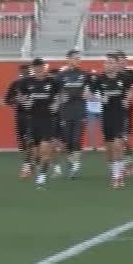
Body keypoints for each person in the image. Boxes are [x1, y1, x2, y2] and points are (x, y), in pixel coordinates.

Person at [88, 54, 133, 188]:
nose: (108, 65)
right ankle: (115, 171)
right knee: (109, 149)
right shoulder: (99, 79)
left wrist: (127, 99)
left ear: (116, 64)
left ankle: (117, 177)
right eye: (107, 63)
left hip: (120, 115)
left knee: (117, 145)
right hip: (106, 116)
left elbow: (132, 90)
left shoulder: (124, 78)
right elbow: (87, 94)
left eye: (111, 63)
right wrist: (100, 100)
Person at [21, 58, 61, 189]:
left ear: (45, 68)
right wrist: (25, 102)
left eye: (41, 67)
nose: (38, 70)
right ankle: (32, 166)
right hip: (32, 120)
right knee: (35, 151)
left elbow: (61, 95)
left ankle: (41, 178)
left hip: (48, 120)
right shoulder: (26, 82)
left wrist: (56, 104)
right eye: (36, 68)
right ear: (33, 69)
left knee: (45, 150)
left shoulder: (53, 82)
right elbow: (20, 96)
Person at [55, 49, 92, 179]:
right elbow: (55, 93)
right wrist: (60, 98)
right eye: (75, 58)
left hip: (80, 111)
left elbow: (90, 91)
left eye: (79, 58)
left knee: (77, 139)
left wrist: (89, 94)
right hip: (65, 112)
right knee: (67, 142)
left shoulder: (85, 75)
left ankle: (75, 166)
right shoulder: (61, 76)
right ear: (68, 59)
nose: (78, 60)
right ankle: (71, 162)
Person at [4, 64, 34, 178]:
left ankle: (27, 165)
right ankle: (29, 161)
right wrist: (17, 99)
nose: (25, 73)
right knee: (22, 141)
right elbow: (8, 100)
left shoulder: (34, 83)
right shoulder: (15, 84)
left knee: (30, 139)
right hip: (20, 115)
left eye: (27, 71)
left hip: (33, 115)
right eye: (23, 72)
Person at [117, 51, 133, 174]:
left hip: (125, 110)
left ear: (126, 62)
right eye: (118, 60)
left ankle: (129, 162)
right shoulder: (109, 74)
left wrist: (128, 98)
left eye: (123, 60)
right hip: (112, 111)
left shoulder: (130, 74)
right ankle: (120, 167)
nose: (121, 62)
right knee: (115, 140)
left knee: (124, 138)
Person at [85, 68, 103, 152]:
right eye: (91, 76)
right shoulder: (86, 86)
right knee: (91, 129)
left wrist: (98, 99)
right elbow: (88, 97)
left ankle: (104, 144)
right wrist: (100, 99)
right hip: (90, 110)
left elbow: (105, 96)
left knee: (104, 128)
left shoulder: (101, 85)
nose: (93, 77)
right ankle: (94, 146)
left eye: (95, 76)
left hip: (101, 109)